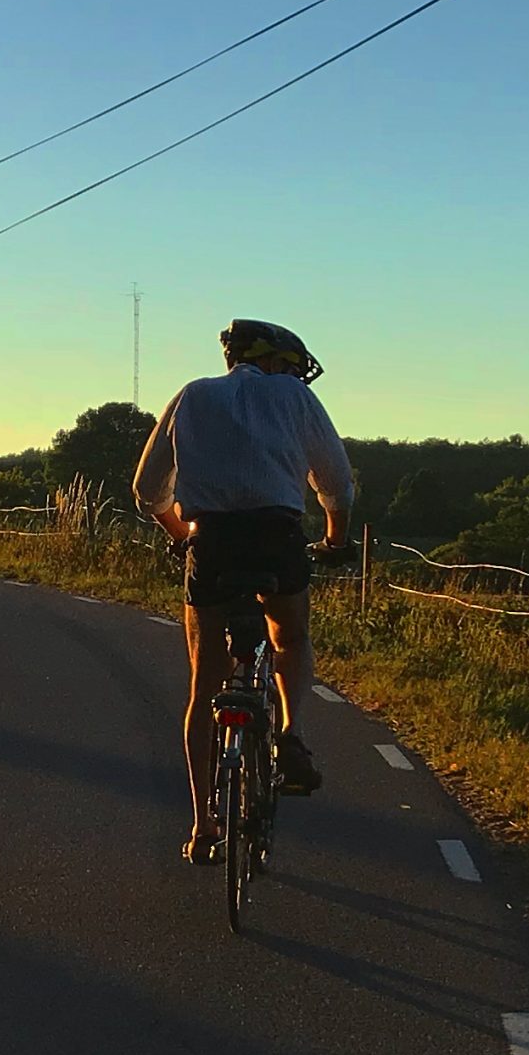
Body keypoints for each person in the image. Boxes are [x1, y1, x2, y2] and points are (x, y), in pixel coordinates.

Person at [132, 318, 353, 864]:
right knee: (292, 638)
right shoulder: (293, 398)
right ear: (276, 362)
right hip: (278, 537)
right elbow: (337, 484)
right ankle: (291, 734)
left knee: (204, 685)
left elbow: (146, 491)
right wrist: (334, 541)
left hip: (211, 543)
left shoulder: (191, 396)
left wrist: (182, 537)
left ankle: (204, 823)